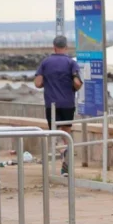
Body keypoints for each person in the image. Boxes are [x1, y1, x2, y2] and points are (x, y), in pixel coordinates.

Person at [34, 35, 82, 177]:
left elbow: (37, 83)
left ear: (54, 47)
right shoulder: (71, 63)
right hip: (68, 103)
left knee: (54, 134)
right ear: (66, 47)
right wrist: (73, 87)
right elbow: (78, 83)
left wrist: (46, 83)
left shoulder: (45, 62)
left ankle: (62, 152)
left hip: (52, 104)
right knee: (66, 133)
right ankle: (66, 164)